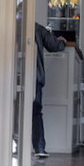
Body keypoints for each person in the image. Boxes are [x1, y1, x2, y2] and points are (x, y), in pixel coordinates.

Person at [33, 22, 68, 158]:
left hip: (12, 76)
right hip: (35, 76)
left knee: (11, 112)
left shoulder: (8, 25)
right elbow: (54, 46)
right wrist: (62, 42)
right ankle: (39, 147)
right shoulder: (37, 28)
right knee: (35, 112)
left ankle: (13, 145)